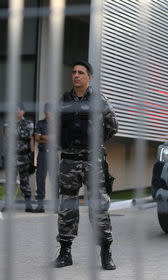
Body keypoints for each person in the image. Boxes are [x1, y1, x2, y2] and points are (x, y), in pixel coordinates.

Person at [54, 61, 118, 270]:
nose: (76, 75)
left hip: (93, 161)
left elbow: (112, 127)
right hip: (69, 162)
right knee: (66, 207)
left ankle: (106, 253)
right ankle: (65, 252)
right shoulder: (63, 101)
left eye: (81, 72)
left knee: (99, 208)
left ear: (90, 77)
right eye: (73, 72)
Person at [3, 103, 35, 212]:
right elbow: (7, 135)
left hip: (24, 157)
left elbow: (30, 137)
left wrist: (32, 155)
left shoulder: (29, 123)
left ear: (23, 112)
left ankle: (28, 204)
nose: (17, 112)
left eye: (19, 110)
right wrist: (22, 134)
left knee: (25, 181)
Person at [34, 102, 59, 213]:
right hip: (43, 154)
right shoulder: (39, 123)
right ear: (44, 112)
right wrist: (49, 137)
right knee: (40, 179)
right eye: (47, 110)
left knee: (55, 180)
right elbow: (37, 138)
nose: (48, 112)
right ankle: (40, 206)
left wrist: (43, 137)